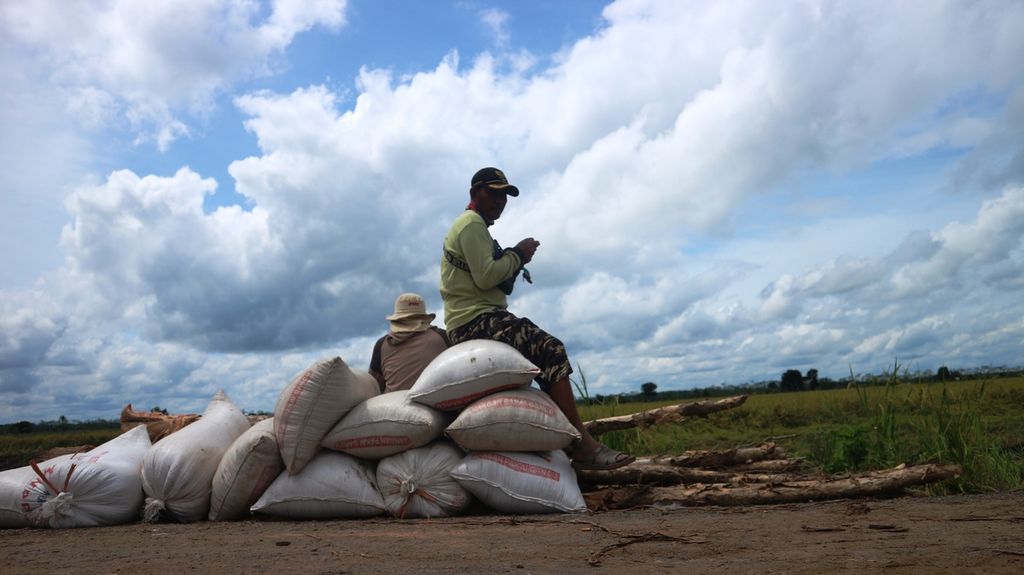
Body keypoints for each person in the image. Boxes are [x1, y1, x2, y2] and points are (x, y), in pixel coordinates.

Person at [439, 167, 635, 471]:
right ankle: (580, 444)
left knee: (537, 354)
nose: (500, 200)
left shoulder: (476, 228)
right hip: (474, 320)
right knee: (549, 349)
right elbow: (486, 277)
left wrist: (514, 260)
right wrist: (517, 254)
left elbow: (492, 278)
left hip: (478, 317)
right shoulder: (470, 225)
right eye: (493, 192)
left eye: (504, 195)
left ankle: (563, 439)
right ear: (474, 193)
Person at [368, 293, 450, 393]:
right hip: (434, 400)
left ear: (397, 319)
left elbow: (374, 386)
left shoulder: (382, 344)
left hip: (393, 405)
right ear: (424, 317)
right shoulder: (442, 336)